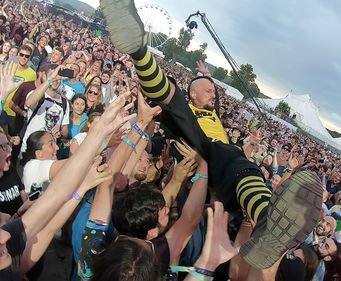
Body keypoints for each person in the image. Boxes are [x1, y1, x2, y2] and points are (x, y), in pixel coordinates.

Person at [100, 0, 323, 269]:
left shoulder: (214, 113)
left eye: (214, 92)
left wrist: (206, 76)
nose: (213, 94)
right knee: (221, 145)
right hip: (200, 148)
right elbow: (174, 97)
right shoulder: (188, 110)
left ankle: (264, 223)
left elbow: (212, 101)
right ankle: (139, 51)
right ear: (193, 94)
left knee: (237, 159)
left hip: (217, 165)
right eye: (208, 90)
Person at [0, 93, 134, 280]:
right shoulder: (32, 166)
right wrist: (100, 138)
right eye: (49, 144)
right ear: (37, 152)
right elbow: (61, 184)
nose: (5, 237)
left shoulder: (8, 256)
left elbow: (49, 225)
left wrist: (98, 134)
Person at [21, 64, 70, 154]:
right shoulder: (36, 94)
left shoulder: (64, 102)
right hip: (30, 148)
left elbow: (65, 129)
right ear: (44, 76)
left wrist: (60, 134)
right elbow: (28, 103)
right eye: (52, 75)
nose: (55, 79)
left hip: (50, 152)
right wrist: (50, 80)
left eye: (58, 77)